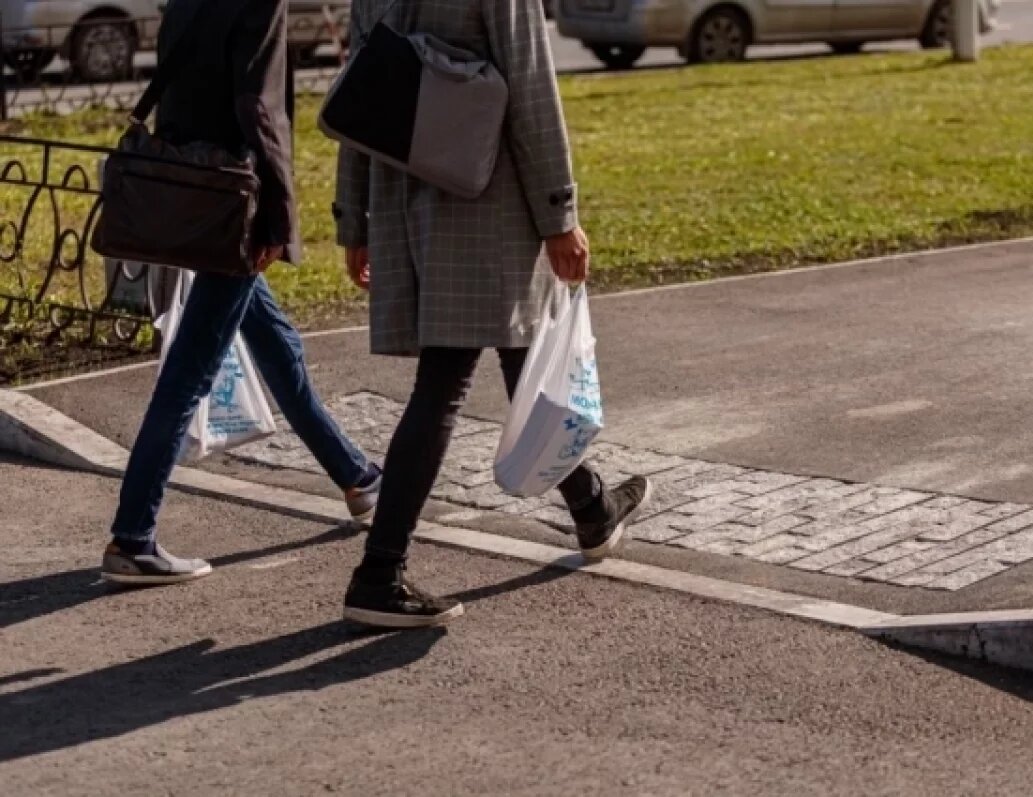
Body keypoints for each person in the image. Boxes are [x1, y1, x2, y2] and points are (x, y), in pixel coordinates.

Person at [334, 0, 652, 630]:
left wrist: (354, 216)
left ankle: (591, 507)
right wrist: (559, 213)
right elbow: (532, 87)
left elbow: (358, 88)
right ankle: (378, 572)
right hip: (484, 200)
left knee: (520, 351)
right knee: (446, 379)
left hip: (403, 197)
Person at [101, 0, 381, 586]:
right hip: (235, 205)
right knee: (188, 375)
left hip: (195, 195)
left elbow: (177, 90)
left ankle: (358, 477)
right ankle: (132, 537)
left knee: (279, 350)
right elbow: (260, 109)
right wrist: (280, 218)